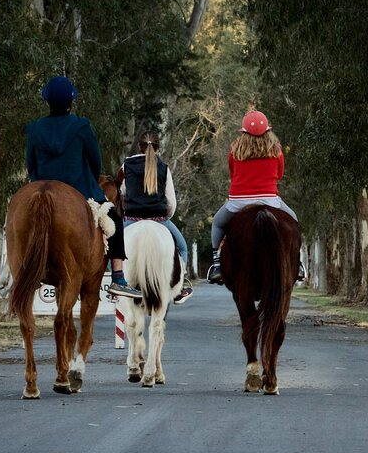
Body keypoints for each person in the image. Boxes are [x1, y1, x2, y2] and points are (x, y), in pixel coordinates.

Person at [26, 75, 141, 299]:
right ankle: (118, 277)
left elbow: (31, 165)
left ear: (48, 102)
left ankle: (18, 271)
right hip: (80, 189)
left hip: (41, 187)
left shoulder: (34, 128)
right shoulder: (81, 126)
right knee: (116, 220)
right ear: (71, 103)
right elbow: (95, 159)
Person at [206, 110, 302, 283]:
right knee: (293, 220)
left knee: (217, 223)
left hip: (238, 201)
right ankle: (298, 264)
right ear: (268, 130)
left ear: (243, 131)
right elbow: (279, 175)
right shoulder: (276, 150)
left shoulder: (236, 150)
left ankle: (217, 265)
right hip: (269, 199)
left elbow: (232, 173)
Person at [118, 131, 194, 304]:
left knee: (110, 249)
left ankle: (114, 281)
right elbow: (171, 203)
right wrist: (165, 218)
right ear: (157, 147)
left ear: (139, 145)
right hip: (159, 219)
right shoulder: (163, 168)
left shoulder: (126, 166)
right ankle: (181, 285)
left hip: (131, 219)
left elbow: (121, 193)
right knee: (182, 247)